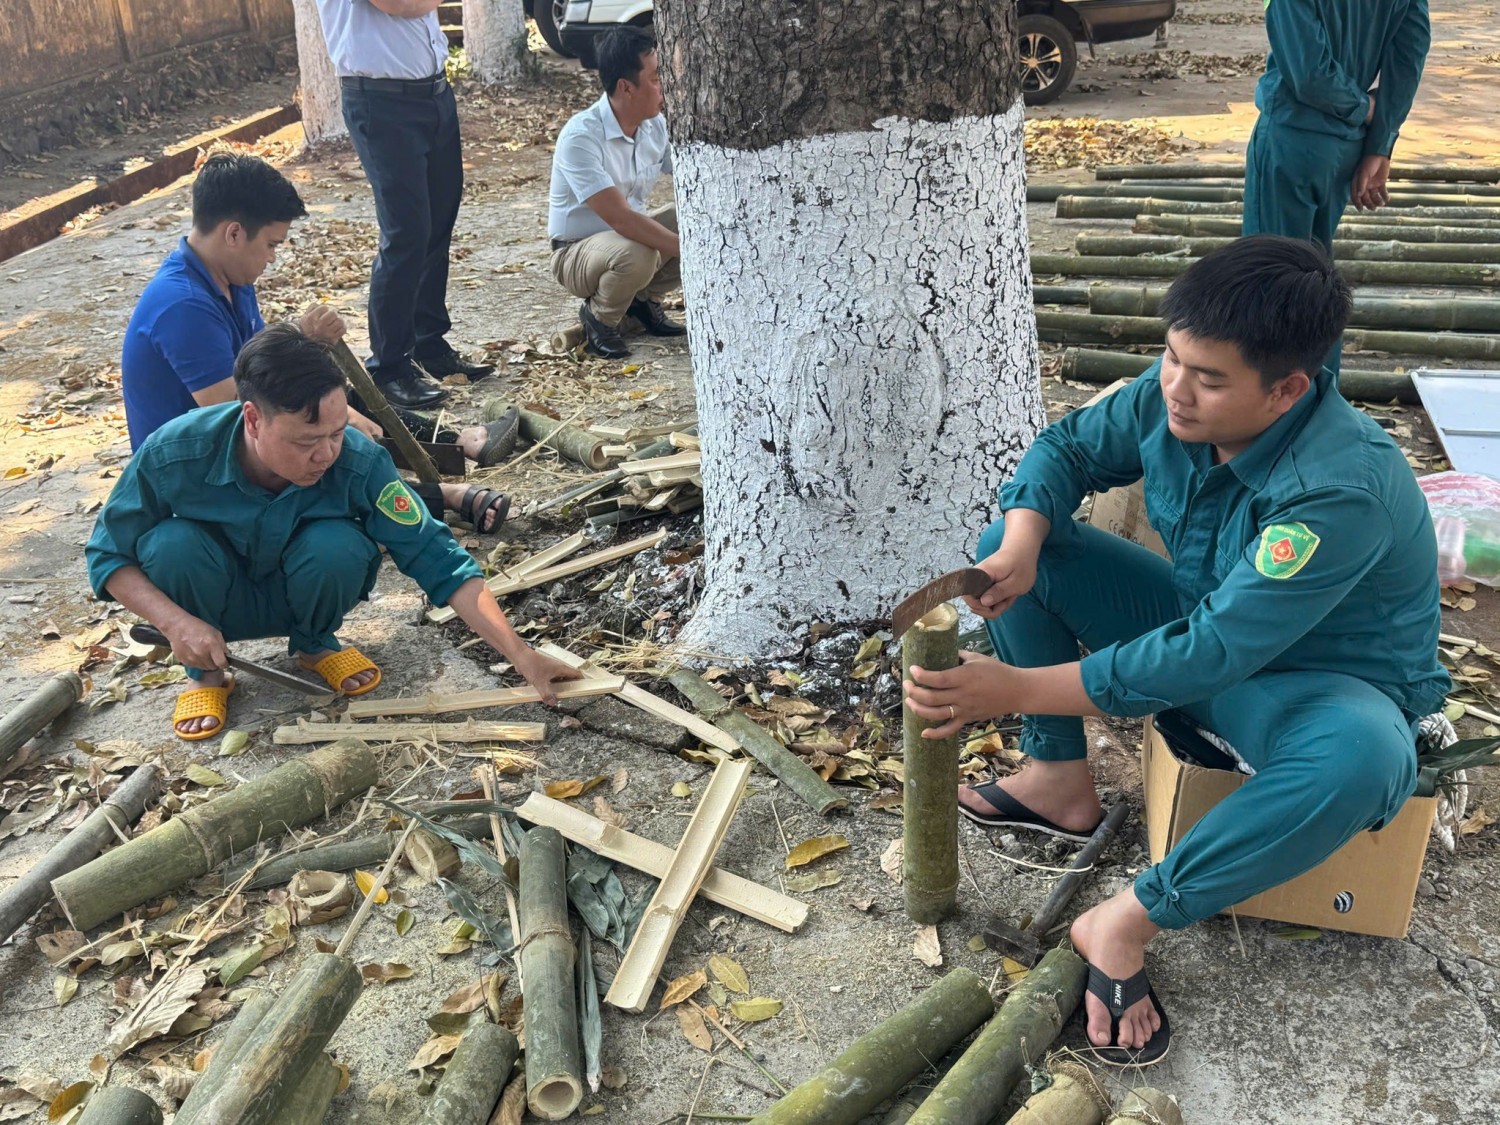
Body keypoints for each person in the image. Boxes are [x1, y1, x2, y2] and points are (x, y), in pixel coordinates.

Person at [904, 236, 1448, 1065]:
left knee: (1363, 759)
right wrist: (1020, 541)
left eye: (1208, 377)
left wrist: (1012, 684)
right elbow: (1068, 449)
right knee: (1022, 550)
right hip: (1206, 630)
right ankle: (1057, 780)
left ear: (1287, 390)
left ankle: (1127, 918)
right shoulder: (1175, 401)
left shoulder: (1340, 489)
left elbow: (1209, 653)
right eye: (1171, 357)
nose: (1175, 389)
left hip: (1310, 688)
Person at [87, 324, 579, 740]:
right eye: (307, 440)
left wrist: (521, 654)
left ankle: (315, 644)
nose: (326, 454)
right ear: (253, 419)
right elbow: (107, 555)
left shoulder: (358, 458)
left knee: (339, 545)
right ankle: (208, 673)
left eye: (337, 431)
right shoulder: (176, 449)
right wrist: (175, 624)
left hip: (302, 594)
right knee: (169, 546)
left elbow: (437, 556)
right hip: (213, 608)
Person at [121, 153, 518, 534]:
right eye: (272, 244)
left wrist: (307, 344)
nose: (273, 258)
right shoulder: (184, 305)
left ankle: (457, 444)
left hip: (238, 437)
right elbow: (243, 415)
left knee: (324, 390)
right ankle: (442, 497)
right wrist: (337, 423)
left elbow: (267, 371)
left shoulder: (229, 277)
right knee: (310, 436)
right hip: (195, 472)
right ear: (234, 234)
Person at [314, 0, 494, 409]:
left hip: (433, 92)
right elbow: (400, 4)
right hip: (381, 102)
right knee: (406, 232)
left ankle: (429, 343)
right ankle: (388, 367)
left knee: (437, 221)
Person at [1243, 1, 1430, 251]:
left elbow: (1309, 75)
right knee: (1314, 271)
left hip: (1292, 141)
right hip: (1345, 148)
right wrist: (1380, 145)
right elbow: (1410, 56)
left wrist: (1363, 108)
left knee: (1268, 269)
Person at [548, 26, 683, 359]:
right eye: (655, 79)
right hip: (575, 253)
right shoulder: (581, 136)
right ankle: (599, 318)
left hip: (627, 239)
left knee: (694, 221)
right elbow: (621, 219)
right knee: (640, 251)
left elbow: (689, 173)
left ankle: (642, 303)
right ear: (626, 87)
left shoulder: (655, 126)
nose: (664, 87)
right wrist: (693, 254)